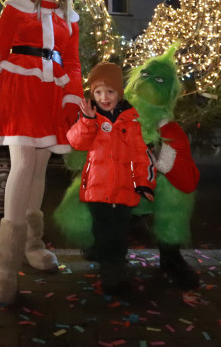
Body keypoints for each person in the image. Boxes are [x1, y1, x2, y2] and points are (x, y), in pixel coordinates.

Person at [0, 0, 82, 304]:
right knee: (23, 163)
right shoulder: (17, 6)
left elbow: (72, 60)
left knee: (39, 168)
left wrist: (72, 95)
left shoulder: (70, 17)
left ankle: (32, 245)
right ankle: (6, 267)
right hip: (19, 86)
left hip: (51, 90)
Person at [67, 62, 155, 295]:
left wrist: (144, 182)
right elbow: (77, 141)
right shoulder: (91, 118)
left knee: (119, 231)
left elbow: (141, 154)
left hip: (125, 190)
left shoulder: (131, 121)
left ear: (119, 93)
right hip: (98, 189)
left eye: (110, 91)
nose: (104, 97)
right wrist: (86, 121)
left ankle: (111, 260)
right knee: (106, 231)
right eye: (98, 92)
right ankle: (111, 275)